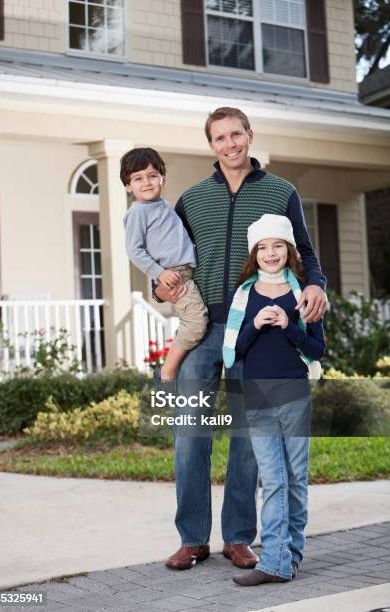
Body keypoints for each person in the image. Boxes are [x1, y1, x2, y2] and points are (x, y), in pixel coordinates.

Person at [153, 107, 328, 571]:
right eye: (219, 138)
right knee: (190, 434)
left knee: (249, 438)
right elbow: (174, 261)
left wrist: (315, 285)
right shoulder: (192, 199)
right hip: (202, 332)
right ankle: (192, 539)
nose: (229, 144)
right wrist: (160, 285)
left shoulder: (279, 191)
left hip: (257, 335)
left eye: (236, 134)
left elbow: (304, 253)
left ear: (250, 136)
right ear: (210, 145)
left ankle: (238, 537)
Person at [223, 214, 326, 586]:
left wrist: (291, 328)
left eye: (278, 246)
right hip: (258, 399)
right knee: (273, 480)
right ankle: (276, 561)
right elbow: (232, 351)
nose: (270, 253)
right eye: (263, 247)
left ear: (289, 250)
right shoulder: (244, 294)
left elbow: (318, 349)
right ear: (254, 253)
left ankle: (290, 555)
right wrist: (256, 324)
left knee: (296, 479)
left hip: (295, 395)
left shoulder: (303, 292)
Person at [122, 147, 208, 383]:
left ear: (163, 178)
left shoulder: (164, 206)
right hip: (175, 276)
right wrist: (159, 273)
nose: (146, 182)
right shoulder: (138, 212)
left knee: (194, 321)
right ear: (128, 186)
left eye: (152, 175)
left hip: (187, 271)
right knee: (197, 324)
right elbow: (134, 250)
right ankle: (168, 370)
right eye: (138, 179)